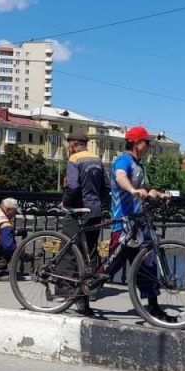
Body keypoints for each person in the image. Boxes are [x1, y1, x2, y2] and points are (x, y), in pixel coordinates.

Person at [98, 126, 178, 322]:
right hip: (124, 223)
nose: (149, 146)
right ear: (136, 143)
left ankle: (153, 306)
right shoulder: (123, 161)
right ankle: (83, 294)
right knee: (111, 266)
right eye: (146, 142)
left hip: (139, 222)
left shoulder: (141, 166)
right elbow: (120, 177)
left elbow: (147, 190)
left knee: (148, 263)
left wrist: (160, 195)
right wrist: (133, 190)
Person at [59, 131, 108, 314]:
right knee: (90, 252)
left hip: (78, 211)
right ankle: (90, 291)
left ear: (72, 144)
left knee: (69, 250)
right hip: (95, 211)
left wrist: (67, 202)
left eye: (68, 145)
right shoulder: (97, 159)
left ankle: (66, 291)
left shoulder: (74, 159)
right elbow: (107, 187)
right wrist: (96, 201)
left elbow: (73, 186)